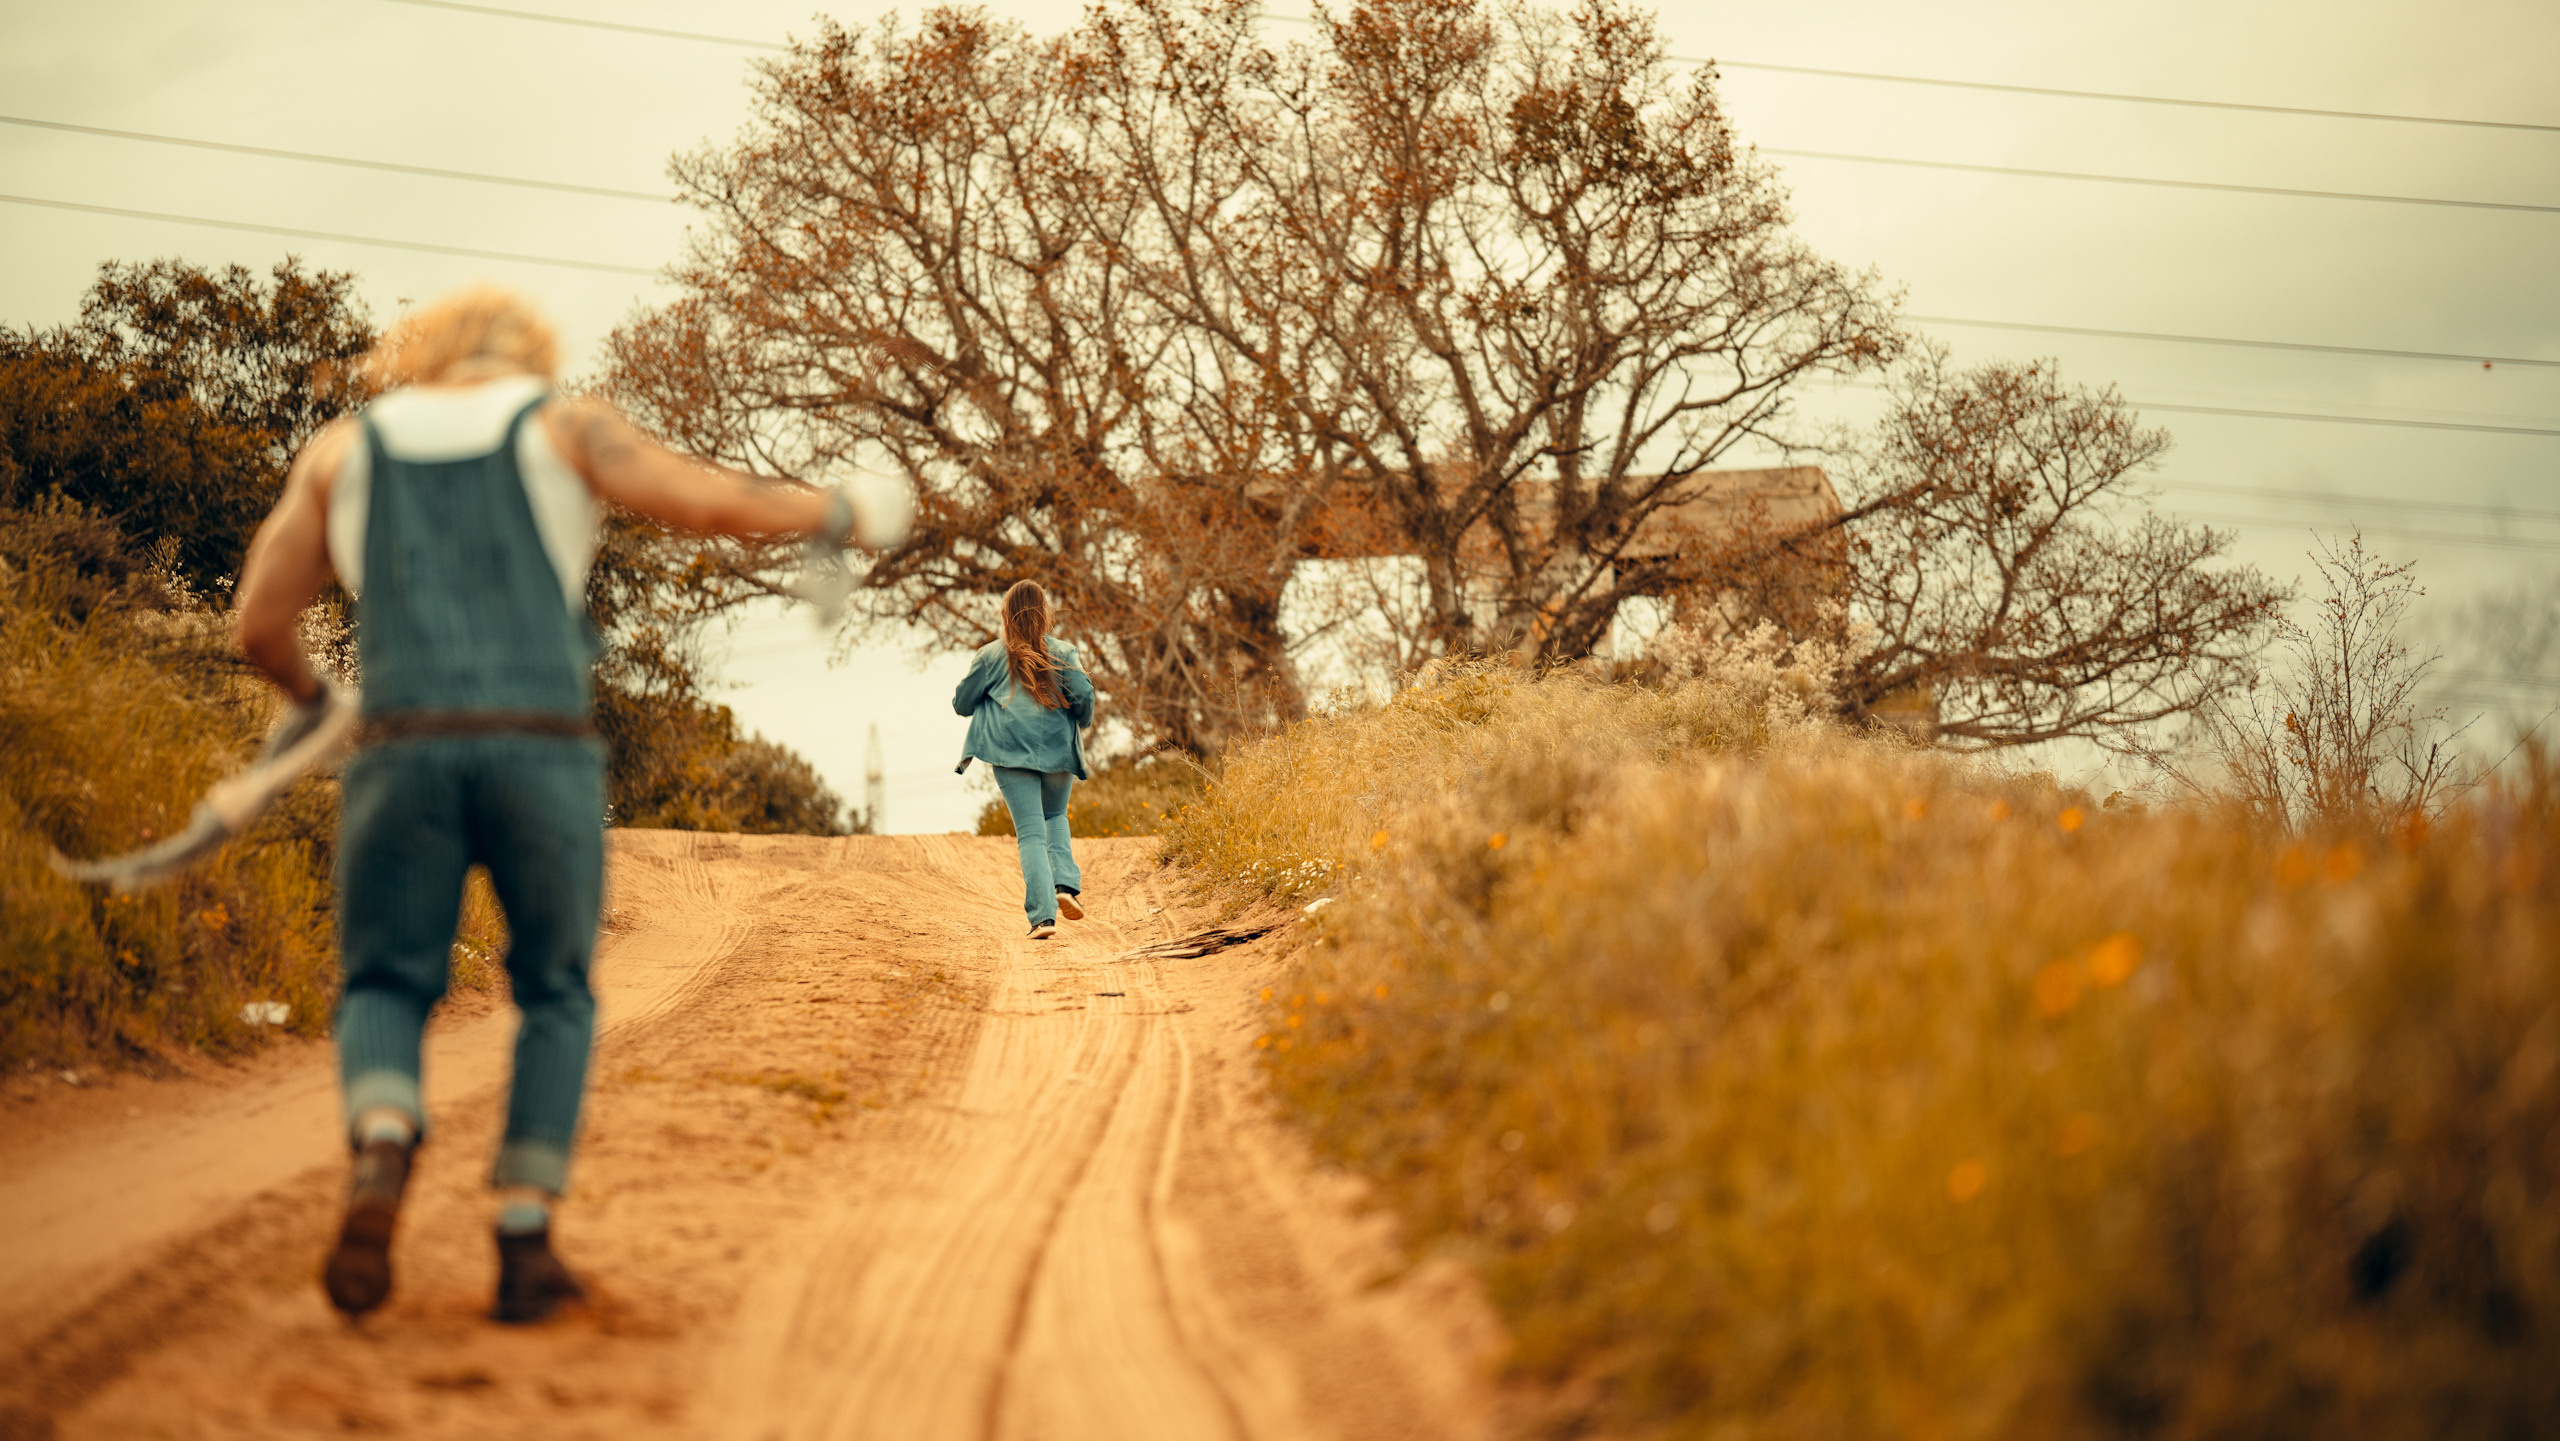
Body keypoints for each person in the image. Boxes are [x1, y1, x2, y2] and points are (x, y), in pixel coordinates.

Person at [231, 284, 874, 1324]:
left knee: (386, 984)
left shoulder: (343, 450)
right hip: (539, 753)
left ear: (422, 355)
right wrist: (831, 509)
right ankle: (525, 1239)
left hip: (402, 753)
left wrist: (315, 703)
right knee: (555, 988)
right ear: (528, 354)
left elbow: (260, 623)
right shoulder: (563, 422)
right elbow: (704, 500)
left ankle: (385, 1134)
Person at [952, 580, 1095, 939]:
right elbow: (1084, 695)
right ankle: (1065, 886)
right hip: (1059, 750)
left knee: (1031, 834)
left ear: (1006, 615)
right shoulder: (1065, 652)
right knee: (1055, 815)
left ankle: (1043, 919)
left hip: (1010, 751)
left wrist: (990, 697)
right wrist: (1082, 718)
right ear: (1045, 615)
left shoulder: (990, 656)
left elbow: (961, 704)